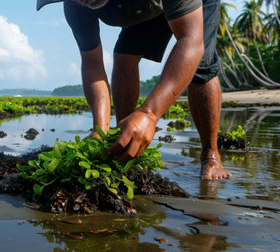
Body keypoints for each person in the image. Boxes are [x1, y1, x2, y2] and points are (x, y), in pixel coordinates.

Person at [36, 0, 232, 180]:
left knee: (202, 66)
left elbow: (191, 41)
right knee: (124, 56)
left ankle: (210, 154)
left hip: (194, 8)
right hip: (145, 9)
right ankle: (128, 142)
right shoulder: (75, 5)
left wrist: (150, 114)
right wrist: (99, 129)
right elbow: (92, 64)